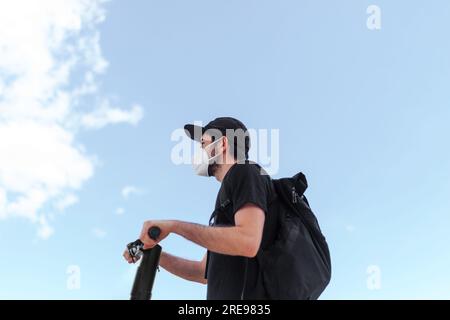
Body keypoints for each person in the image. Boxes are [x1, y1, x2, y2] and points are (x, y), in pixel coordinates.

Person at [123, 117, 275, 300]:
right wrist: (153, 252)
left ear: (222, 144)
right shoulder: (227, 198)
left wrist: (173, 226)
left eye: (203, 143)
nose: (199, 151)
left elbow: (248, 242)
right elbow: (202, 272)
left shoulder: (244, 171)